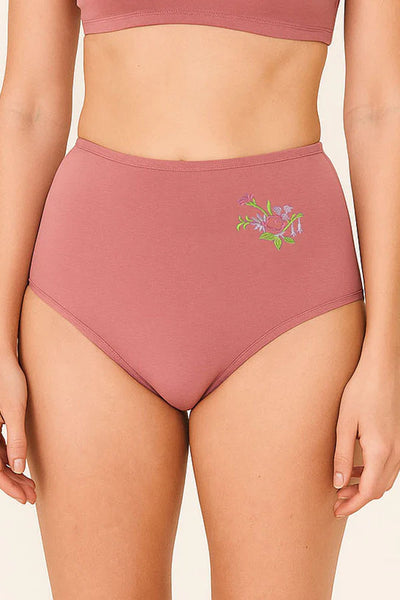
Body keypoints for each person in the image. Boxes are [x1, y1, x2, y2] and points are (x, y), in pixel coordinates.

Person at [0, 0, 399, 598]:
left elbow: (381, 109)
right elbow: (28, 106)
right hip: (86, 295)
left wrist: (387, 357)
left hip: (288, 300)